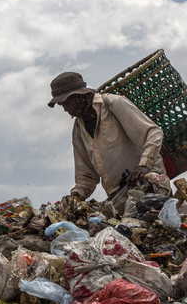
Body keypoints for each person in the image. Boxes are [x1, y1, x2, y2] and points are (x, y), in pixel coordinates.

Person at [48, 71, 171, 216]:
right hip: (118, 197)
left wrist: (144, 165)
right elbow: (87, 176)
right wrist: (76, 195)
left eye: (66, 103)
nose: (65, 109)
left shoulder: (113, 103)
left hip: (149, 186)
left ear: (77, 96)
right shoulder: (78, 128)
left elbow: (153, 133)